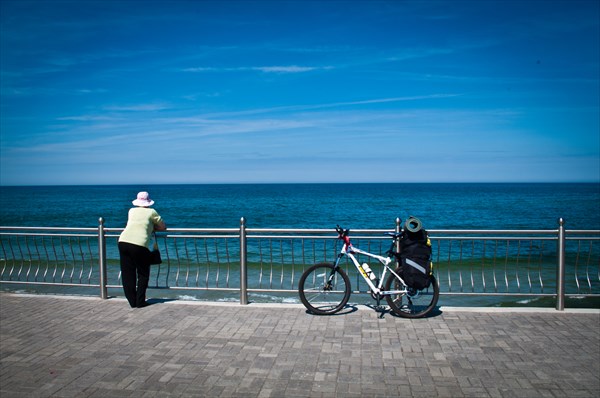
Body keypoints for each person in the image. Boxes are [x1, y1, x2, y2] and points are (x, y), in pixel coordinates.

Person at [118, 191, 166, 308]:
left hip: (123, 241)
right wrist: (152, 227)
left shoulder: (131, 211)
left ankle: (132, 301)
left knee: (127, 274)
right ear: (148, 201)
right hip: (138, 244)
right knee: (143, 273)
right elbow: (163, 227)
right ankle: (140, 302)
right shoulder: (151, 212)